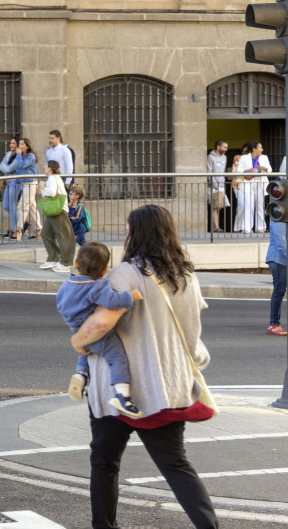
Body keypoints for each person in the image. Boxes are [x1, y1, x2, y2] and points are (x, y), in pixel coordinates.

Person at [70, 205, 218, 529]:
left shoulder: (125, 274)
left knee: (105, 462)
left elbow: (97, 327)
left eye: (128, 229)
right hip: (166, 389)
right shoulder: (187, 276)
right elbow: (193, 335)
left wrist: (77, 342)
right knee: (177, 466)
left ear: (136, 234)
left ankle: (104, 526)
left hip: (117, 392)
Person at [57, 242, 143, 416]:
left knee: (86, 351)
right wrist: (129, 296)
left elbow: (60, 303)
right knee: (117, 358)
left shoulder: (67, 284)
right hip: (98, 336)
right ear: (104, 271)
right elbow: (112, 301)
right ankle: (123, 396)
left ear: (75, 263)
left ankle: (81, 375)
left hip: (76, 327)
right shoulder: (97, 287)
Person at [40, 160, 76, 273]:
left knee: (63, 237)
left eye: (45, 166)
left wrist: (42, 186)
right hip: (54, 210)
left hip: (59, 210)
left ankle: (65, 263)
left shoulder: (52, 178)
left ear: (50, 168)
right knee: (46, 234)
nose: (44, 168)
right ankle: (54, 258)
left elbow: (51, 193)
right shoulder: (54, 178)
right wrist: (43, 188)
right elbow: (48, 194)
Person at [233, 141, 271, 234]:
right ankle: (246, 228)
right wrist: (247, 170)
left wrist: (264, 168)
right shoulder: (244, 158)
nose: (262, 149)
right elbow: (239, 171)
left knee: (259, 206)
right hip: (248, 182)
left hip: (260, 182)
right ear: (254, 149)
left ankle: (260, 227)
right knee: (248, 205)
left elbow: (270, 170)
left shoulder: (264, 158)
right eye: (260, 148)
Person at [13, 138, 41, 241]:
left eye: (22, 144)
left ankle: (18, 230)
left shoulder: (30, 156)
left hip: (30, 183)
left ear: (27, 146)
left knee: (22, 206)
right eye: (19, 144)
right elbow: (19, 171)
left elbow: (22, 165)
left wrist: (19, 155)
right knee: (32, 207)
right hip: (24, 184)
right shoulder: (21, 156)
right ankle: (38, 229)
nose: (20, 146)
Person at [0, 137, 20, 238]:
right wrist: (6, 169)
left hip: (15, 182)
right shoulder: (8, 154)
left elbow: (11, 167)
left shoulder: (19, 156)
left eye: (13, 143)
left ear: (18, 145)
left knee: (11, 206)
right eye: (10, 143)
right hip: (8, 182)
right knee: (5, 205)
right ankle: (22, 221)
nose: (11, 145)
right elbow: (0, 165)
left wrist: (5, 169)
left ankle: (13, 229)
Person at [207, 141, 229, 233]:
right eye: (224, 147)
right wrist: (214, 183)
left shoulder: (224, 157)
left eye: (226, 147)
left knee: (219, 206)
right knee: (214, 206)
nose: (226, 149)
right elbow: (209, 171)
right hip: (213, 185)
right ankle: (215, 227)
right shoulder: (210, 157)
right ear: (218, 147)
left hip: (221, 184)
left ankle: (215, 226)